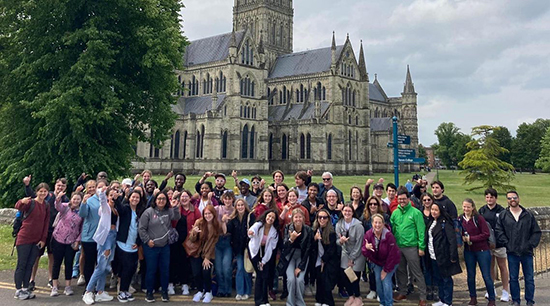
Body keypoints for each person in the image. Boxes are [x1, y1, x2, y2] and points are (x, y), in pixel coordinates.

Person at [23, 176, 69, 291]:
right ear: (55, 186)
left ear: (65, 187)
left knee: (51, 256)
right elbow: (34, 196)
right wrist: (27, 185)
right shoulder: (48, 195)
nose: (60, 187)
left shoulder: (65, 199)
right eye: (58, 185)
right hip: (42, 230)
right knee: (36, 256)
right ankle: (31, 279)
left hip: (55, 232)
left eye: (62, 186)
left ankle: (50, 279)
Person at [495, 191, 541, 306]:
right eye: (509, 198)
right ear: (507, 200)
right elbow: (499, 231)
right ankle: (516, 300)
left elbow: (536, 232)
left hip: (527, 252)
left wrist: (530, 244)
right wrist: (507, 244)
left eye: (514, 197)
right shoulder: (503, 215)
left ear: (518, 198)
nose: (512, 200)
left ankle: (530, 300)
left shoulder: (528, 215)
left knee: (529, 278)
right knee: (513, 278)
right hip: (512, 252)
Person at [138, 191, 181, 303]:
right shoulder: (148, 212)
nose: (161, 201)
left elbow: (177, 217)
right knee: (151, 270)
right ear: (155, 200)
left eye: (163, 199)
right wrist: (147, 241)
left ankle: (164, 292)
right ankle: (149, 292)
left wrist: (175, 206)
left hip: (164, 246)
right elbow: (141, 228)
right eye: (159, 199)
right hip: (151, 246)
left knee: (165, 270)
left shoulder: (168, 211)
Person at [13, 183, 50, 300]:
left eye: (45, 191)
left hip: (37, 240)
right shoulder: (31, 203)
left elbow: (46, 223)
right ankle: (18, 290)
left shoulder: (46, 205)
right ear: (37, 192)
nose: (43, 193)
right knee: (22, 264)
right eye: (41, 191)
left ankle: (25, 288)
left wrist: (43, 239)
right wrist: (22, 201)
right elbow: (18, 206)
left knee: (30, 265)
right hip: (24, 238)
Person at [391, 186, 427, 306]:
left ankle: (422, 296)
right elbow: (392, 229)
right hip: (398, 246)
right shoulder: (395, 213)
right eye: (399, 199)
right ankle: (403, 291)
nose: (402, 201)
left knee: (416, 272)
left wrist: (421, 247)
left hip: (412, 247)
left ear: (408, 199)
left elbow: (421, 231)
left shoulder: (416, 213)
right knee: (401, 271)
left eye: (404, 199)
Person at [82, 187, 118, 305]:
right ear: (107, 196)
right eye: (111, 194)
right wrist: (102, 192)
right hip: (106, 237)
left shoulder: (115, 209)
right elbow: (102, 200)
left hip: (113, 236)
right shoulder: (105, 207)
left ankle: (100, 291)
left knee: (106, 267)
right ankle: (88, 291)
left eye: (115, 194)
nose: (113, 196)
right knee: (100, 267)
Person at [460, 198, 495, 306]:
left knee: (486, 275)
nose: (466, 209)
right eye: (464, 206)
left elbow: (486, 234)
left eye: (468, 207)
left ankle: (492, 299)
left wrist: (471, 238)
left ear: (473, 207)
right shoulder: (460, 219)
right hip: (469, 251)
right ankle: (473, 298)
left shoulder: (478, 218)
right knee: (470, 275)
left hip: (482, 250)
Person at [426, 202, 461, 306]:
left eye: (436, 210)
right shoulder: (431, 222)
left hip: (443, 255)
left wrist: (453, 255)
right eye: (432, 209)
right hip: (433, 255)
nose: (433, 212)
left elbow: (452, 240)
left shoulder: (445, 223)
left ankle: (448, 301)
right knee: (438, 278)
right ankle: (441, 299)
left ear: (440, 211)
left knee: (446, 279)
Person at [478, 188, 509, 302]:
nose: (489, 199)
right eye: (487, 197)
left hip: (500, 244)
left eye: (491, 197)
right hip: (487, 244)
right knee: (489, 267)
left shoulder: (502, 211)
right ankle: (491, 289)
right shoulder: (482, 211)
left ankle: (505, 291)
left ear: (495, 198)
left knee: (502, 266)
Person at [50, 191, 84, 297]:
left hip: (71, 241)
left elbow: (82, 228)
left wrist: (78, 240)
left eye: (78, 199)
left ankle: (68, 286)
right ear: (71, 199)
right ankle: (54, 286)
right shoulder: (65, 207)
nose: (76, 201)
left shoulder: (82, 212)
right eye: (74, 198)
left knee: (69, 263)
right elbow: (57, 206)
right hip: (58, 238)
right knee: (57, 263)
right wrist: (58, 198)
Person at [362, 214, 400, 306]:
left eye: (380, 223)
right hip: (377, 262)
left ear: (383, 224)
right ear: (372, 224)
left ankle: (389, 303)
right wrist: (366, 248)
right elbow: (365, 253)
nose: (377, 225)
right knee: (378, 281)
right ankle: (382, 302)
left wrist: (386, 270)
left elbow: (392, 255)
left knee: (386, 281)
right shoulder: (368, 234)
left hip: (391, 262)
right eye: (375, 222)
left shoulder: (388, 235)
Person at [189, 205, 225, 303]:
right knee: (196, 273)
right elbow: (192, 240)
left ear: (213, 214)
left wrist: (207, 257)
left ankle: (208, 292)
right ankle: (200, 290)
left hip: (209, 253)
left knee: (206, 271)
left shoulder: (216, 225)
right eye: (205, 214)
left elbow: (214, 243)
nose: (207, 216)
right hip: (197, 252)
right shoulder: (199, 222)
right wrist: (194, 233)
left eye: (209, 213)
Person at [115, 189, 145, 302]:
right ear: (129, 198)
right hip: (123, 243)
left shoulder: (140, 211)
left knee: (132, 269)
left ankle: (126, 290)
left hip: (134, 245)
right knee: (125, 269)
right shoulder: (126, 208)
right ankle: (121, 291)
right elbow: (119, 208)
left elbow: (141, 229)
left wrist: (138, 242)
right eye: (133, 197)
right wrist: (117, 198)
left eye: (137, 197)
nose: (135, 199)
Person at [170, 190, 200, 296]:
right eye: (182, 197)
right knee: (173, 262)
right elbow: (170, 220)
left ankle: (184, 284)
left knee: (184, 264)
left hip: (188, 241)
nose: (184, 198)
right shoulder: (176, 208)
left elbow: (199, 223)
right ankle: (171, 284)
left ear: (190, 198)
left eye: (186, 196)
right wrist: (173, 207)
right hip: (175, 241)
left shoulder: (195, 210)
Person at [361, 196, 391, 300]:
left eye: (375, 204)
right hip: (370, 249)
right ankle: (373, 289)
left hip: (382, 248)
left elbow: (389, 231)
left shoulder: (385, 217)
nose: (373, 206)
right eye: (370, 204)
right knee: (372, 270)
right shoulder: (364, 218)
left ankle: (381, 292)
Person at [282, 208, 313, 306]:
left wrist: (300, 267)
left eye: (300, 217)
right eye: (296, 217)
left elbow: (308, 249)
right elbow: (284, 247)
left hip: (302, 256)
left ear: (303, 218)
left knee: (299, 280)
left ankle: (300, 302)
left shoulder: (308, 230)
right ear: (292, 219)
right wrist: (291, 239)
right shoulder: (288, 228)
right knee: (290, 279)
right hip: (290, 255)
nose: (298, 219)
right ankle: (290, 302)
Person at [248, 210, 279, 306]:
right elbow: (252, 231)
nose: (270, 219)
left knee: (265, 275)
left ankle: (265, 300)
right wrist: (251, 232)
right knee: (260, 275)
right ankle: (258, 301)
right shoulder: (259, 225)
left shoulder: (274, 232)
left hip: (265, 252)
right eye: (269, 216)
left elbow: (271, 248)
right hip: (254, 251)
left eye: (273, 218)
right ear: (265, 216)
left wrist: (264, 261)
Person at [336, 204, 365, 306]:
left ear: (353, 213)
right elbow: (336, 241)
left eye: (349, 211)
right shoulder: (339, 224)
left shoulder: (358, 226)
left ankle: (358, 297)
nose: (347, 213)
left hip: (358, 253)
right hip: (345, 252)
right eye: (345, 211)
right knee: (345, 275)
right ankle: (351, 296)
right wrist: (341, 241)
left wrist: (352, 258)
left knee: (354, 276)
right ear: (342, 212)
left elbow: (359, 243)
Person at [78, 180, 105, 287]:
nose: (95, 189)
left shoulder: (106, 199)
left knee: (100, 263)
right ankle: (88, 287)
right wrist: (84, 203)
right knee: (90, 262)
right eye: (93, 187)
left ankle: (99, 286)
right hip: (90, 236)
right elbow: (83, 214)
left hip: (102, 235)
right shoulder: (89, 200)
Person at [228, 199, 256, 300]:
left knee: (247, 270)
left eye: (242, 205)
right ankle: (240, 291)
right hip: (238, 249)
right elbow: (228, 231)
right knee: (239, 269)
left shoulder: (250, 216)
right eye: (238, 205)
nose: (240, 207)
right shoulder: (233, 219)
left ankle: (247, 291)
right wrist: (225, 221)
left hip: (248, 248)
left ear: (245, 206)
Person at [312, 209, 338, 306]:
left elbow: (331, 250)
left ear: (328, 219)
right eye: (320, 217)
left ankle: (328, 301)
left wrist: (324, 259)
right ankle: (319, 300)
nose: (322, 219)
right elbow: (311, 248)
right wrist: (315, 239)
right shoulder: (314, 230)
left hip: (328, 261)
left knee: (326, 281)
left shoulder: (331, 232)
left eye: (324, 217)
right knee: (319, 280)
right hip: (317, 260)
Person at [214, 191, 235, 297]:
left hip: (228, 241)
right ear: (223, 199)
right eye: (225, 198)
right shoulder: (218, 209)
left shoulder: (234, 211)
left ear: (232, 199)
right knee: (218, 269)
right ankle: (221, 289)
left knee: (226, 268)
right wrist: (221, 221)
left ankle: (227, 289)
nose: (227, 201)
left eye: (229, 198)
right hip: (218, 240)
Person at [420, 193, 438, 301]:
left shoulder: (435, 212)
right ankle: (428, 289)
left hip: (434, 246)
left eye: (428, 199)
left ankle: (436, 289)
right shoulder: (419, 213)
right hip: (423, 245)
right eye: (424, 200)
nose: (427, 202)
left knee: (435, 268)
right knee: (426, 269)